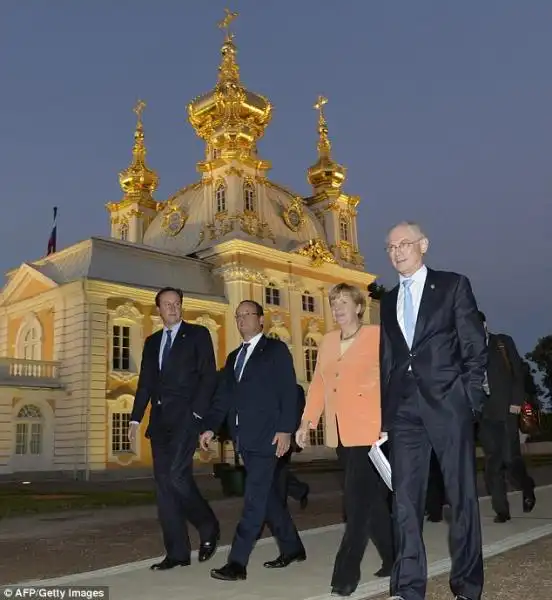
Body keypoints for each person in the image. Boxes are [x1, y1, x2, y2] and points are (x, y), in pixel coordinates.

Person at [379, 222, 487, 600]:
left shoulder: (453, 285)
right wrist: (385, 418)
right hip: (404, 412)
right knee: (405, 501)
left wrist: (469, 398)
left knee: (461, 498)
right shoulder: (388, 300)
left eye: (404, 243)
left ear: (423, 245)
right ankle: (409, 588)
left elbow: (474, 345)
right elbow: (388, 360)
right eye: (390, 247)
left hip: (448, 404)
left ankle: (467, 586)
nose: (397, 252)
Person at [296, 283, 394, 598]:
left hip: (371, 433)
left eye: (343, 303)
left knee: (355, 504)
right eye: (333, 303)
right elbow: (318, 385)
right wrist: (307, 421)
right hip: (342, 434)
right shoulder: (326, 342)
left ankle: (345, 575)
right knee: (372, 504)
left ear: (358, 308)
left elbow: (393, 381)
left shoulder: (376, 337)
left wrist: (389, 423)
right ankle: (395, 558)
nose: (337, 309)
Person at [199, 300, 305, 582]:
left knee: (254, 500)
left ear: (261, 321)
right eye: (238, 315)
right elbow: (223, 398)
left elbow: (288, 391)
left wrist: (285, 430)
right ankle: (293, 548)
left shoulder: (275, 350)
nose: (242, 319)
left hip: (269, 436)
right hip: (244, 439)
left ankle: (237, 562)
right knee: (267, 497)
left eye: (248, 314)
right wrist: (210, 427)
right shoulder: (234, 357)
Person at [128, 287, 220, 571]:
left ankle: (208, 525)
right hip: (159, 422)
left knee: (178, 476)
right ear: (159, 309)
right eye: (167, 304)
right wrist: (134, 419)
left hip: (185, 418)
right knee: (164, 487)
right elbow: (145, 382)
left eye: (177, 303)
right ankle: (177, 552)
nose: (173, 308)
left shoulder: (197, 335)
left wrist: (197, 414)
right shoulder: (152, 341)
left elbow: (208, 377)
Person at [477, 310, 536, 522]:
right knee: (492, 463)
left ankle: (527, 486)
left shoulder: (502, 342)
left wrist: (516, 401)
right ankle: (502, 510)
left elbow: (517, 372)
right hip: (485, 413)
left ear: (484, 325)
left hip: (507, 409)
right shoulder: (467, 349)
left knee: (511, 460)